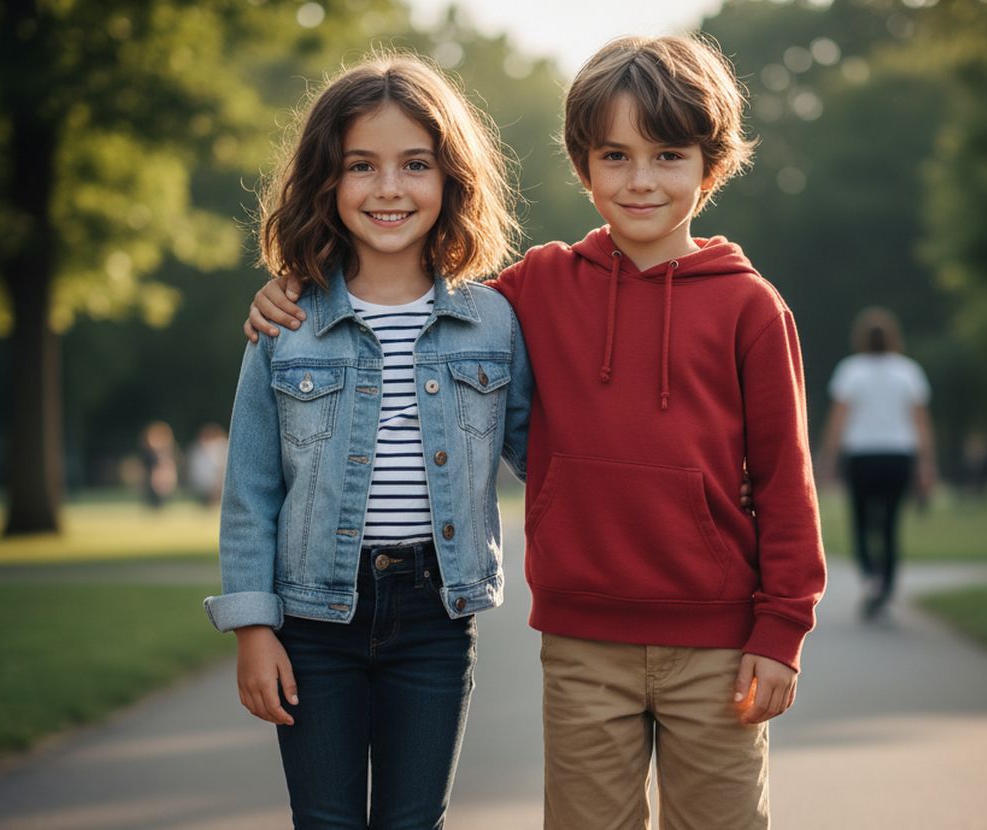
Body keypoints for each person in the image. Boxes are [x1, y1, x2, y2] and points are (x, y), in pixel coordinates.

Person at [249, 35, 826, 829]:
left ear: (711, 164)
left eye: (667, 155)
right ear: (583, 165)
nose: (641, 179)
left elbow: (788, 482)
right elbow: (421, 299)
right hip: (584, 639)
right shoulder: (537, 287)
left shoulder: (750, 309)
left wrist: (782, 629)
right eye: (615, 156)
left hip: (719, 644)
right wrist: (294, 292)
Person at [203, 53, 533, 830]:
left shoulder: (492, 321)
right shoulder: (286, 325)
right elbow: (250, 490)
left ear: (451, 179)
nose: (389, 188)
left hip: (435, 619)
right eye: (361, 165)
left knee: (415, 822)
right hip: (312, 622)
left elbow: (547, 455)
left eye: (415, 164)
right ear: (326, 181)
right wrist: (252, 629)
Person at [818, 307, 935, 619]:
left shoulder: (851, 371)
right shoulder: (908, 372)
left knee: (860, 519)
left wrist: (828, 459)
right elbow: (921, 422)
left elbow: (838, 420)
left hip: (862, 455)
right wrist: (926, 463)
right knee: (890, 523)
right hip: (898, 455)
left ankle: (871, 574)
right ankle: (888, 582)